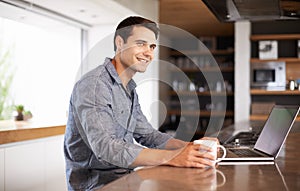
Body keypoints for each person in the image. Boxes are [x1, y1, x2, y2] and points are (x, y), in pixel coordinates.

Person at [64, 16, 219, 191]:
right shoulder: (94, 84)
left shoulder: (129, 89)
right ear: (120, 42)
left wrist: (192, 147)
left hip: (125, 181)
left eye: (152, 46)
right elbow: (106, 147)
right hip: (96, 186)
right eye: (141, 43)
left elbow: (148, 135)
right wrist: (173, 157)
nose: (149, 52)